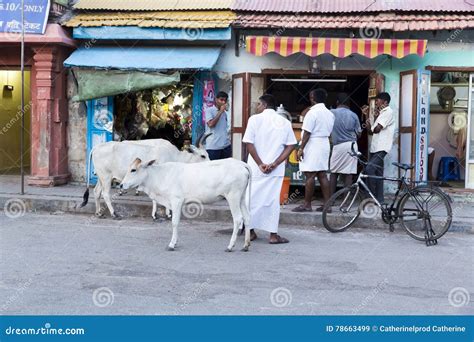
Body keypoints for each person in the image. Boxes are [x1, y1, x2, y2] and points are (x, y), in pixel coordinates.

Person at [242, 94, 297, 244]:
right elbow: (291, 145)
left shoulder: (254, 119)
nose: (257, 107)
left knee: (250, 199)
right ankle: (273, 236)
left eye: (258, 104)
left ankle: (250, 232)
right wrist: (275, 163)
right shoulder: (284, 122)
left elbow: (249, 143)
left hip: (256, 168)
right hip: (275, 170)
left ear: (265, 105)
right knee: (272, 201)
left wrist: (260, 163)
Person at [293, 88, 334, 212]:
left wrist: (301, 148)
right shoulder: (330, 113)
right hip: (324, 143)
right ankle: (328, 205)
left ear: (313, 98)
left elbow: (307, 133)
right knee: (322, 174)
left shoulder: (312, 113)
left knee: (310, 175)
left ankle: (307, 204)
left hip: (313, 144)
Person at [362, 92, 395, 204]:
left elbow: (376, 129)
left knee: (369, 169)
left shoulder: (387, 112)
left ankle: (370, 197)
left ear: (385, 102)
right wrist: (367, 115)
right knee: (378, 173)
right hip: (375, 148)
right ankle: (379, 199)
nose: (376, 102)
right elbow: (371, 131)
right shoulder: (381, 113)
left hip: (382, 148)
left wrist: (373, 120)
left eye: (378, 100)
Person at [329, 93, 362, 194]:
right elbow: (359, 134)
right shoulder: (354, 115)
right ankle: (345, 203)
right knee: (349, 174)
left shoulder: (331, 113)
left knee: (334, 173)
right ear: (349, 104)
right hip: (351, 146)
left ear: (337, 102)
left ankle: (330, 201)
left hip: (338, 146)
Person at [204, 91, 231, 160]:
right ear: (216, 100)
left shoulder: (225, 113)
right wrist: (220, 112)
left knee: (226, 169)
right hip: (213, 147)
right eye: (221, 100)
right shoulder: (209, 110)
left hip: (225, 146)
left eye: (225, 100)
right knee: (213, 169)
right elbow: (210, 124)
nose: (223, 102)